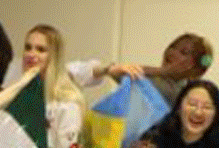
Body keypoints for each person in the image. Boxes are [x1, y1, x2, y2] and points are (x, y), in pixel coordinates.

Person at [68, 32, 213, 106]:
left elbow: (123, 74)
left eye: (183, 52)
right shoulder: (162, 80)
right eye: (172, 46)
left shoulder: (178, 91)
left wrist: (163, 71)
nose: (171, 52)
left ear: (193, 67)